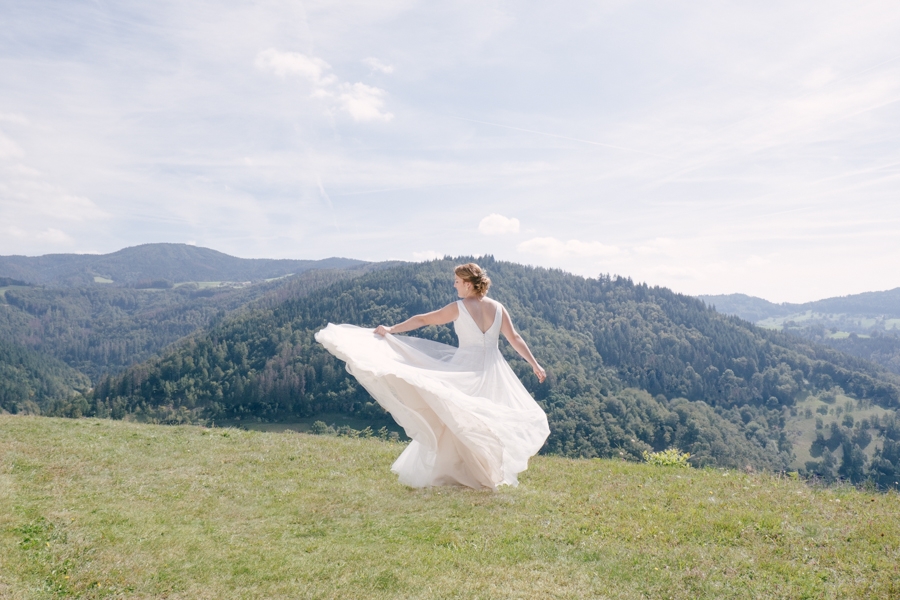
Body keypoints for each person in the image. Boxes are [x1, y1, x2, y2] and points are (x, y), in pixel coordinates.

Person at [315, 262, 550, 491]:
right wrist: (535, 364)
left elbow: (424, 319)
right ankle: (479, 472)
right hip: (493, 371)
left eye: (457, 281)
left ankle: (465, 472)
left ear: (468, 284)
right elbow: (514, 338)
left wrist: (392, 328)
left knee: (457, 419)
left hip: (466, 368)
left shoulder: (459, 307)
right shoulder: (498, 308)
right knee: (477, 420)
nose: (454, 285)